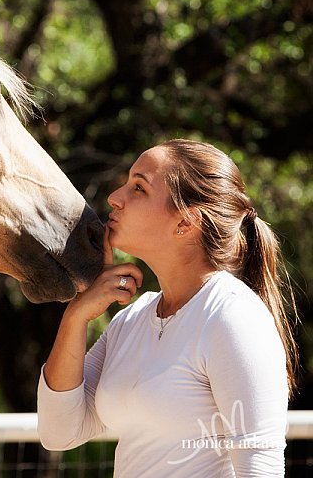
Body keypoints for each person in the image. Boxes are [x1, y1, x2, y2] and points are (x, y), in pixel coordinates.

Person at [37, 139, 298, 477]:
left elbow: (259, 470)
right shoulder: (132, 319)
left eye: (138, 188)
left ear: (185, 223)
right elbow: (59, 431)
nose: (115, 198)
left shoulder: (232, 318)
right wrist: (76, 316)